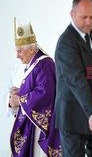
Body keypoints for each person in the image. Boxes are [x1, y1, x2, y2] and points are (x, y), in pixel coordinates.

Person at [54, 0, 92, 157]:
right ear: (72, 15)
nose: (88, 22)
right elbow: (77, 80)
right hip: (73, 117)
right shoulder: (66, 41)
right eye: (84, 17)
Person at [9, 18, 61, 157]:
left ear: (31, 49)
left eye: (20, 51)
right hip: (33, 125)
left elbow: (45, 93)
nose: (17, 56)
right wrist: (21, 91)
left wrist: (20, 100)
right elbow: (37, 87)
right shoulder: (35, 64)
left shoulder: (44, 64)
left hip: (41, 129)